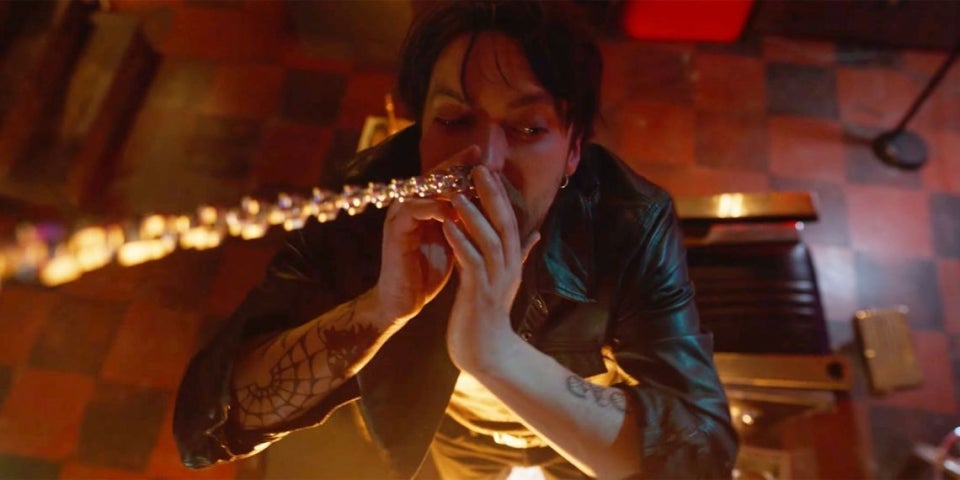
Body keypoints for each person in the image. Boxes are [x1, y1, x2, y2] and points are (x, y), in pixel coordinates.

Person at [173, 1, 737, 478]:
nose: (485, 162)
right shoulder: (366, 203)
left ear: (573, 149)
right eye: (454, 121)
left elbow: (702, 453)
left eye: (528, 128)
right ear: (418, 130)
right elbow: (205, 428)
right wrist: (380, 309)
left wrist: (496, 353)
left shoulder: (630, 222)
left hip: (579, 444)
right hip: (455, 443)